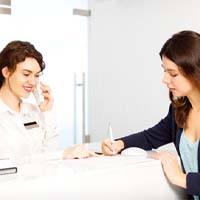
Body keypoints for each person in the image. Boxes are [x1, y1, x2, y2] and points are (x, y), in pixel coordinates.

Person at [102, 30, 200, 199]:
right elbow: (150, 137)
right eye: (164, 71)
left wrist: (181, 178)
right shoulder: (179, 110)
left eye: (173, 73)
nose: (165, 79)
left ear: (195, 71)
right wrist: (118, 144)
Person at [0, 40, 94, 163]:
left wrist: (48, 113)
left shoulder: (33, 111)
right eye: (26, 74)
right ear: (6, 72)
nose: (33, 82)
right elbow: (8, 163)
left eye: (37, 75)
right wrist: (63, 154)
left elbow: (50, 153)